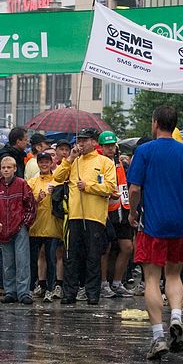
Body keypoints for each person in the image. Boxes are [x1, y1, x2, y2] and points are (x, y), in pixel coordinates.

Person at [127, 106, 183, 360]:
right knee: (174, 274)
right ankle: (176, 315)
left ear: (154, 123)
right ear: (174, 125)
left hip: (153, 223)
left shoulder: (144, 151)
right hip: (181, 223)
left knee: (151, 278)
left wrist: (133, 211)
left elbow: (135, 188)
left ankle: (158, 336)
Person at [54, 128, 117, 305]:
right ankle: (70, 292)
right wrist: (70, 159)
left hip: (95, 217)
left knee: (93, 257)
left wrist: (88, 186)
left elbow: (110, 188)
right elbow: (58, 177)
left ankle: (92, 293)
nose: (81, 143)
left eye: (85, 140)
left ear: (94, 142)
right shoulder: (74, 161)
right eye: (79, 140)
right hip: (74, 215)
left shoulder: (105, 162)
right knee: (71, 257)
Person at [0, 156, 37, 305]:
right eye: (3, 168)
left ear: (15, 169)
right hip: (3, 227)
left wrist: (25, 223)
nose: (5, 170)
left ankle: (23, 292)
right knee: (8, 261)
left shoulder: (22, 184)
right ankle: (10, 291)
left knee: (22, 260)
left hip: (19, 226)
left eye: (9, 167)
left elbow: (31, 204)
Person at [98, 131, 134, 299]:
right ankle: (104, 284)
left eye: (112, 145)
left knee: (127, 247)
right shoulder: (99, 163)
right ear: (101, 147)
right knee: (106, 248)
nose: (110, 149)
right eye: (107, 146)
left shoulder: (120, 163)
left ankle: (117, 283)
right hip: (107, 211)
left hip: (123, 209)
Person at [27, 152, 64, 302]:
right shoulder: (32, 182)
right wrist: (37, 199)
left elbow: (63, 202)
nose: (44, 164)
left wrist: (55, 193)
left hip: (52, 227)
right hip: (35, 228)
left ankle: (50, 288)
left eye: (46, 162)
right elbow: (27, 204)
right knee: (33, 259)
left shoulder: (57, 181)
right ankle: (32, 287)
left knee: (51, 258)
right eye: (41, 162)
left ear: (51, 163)